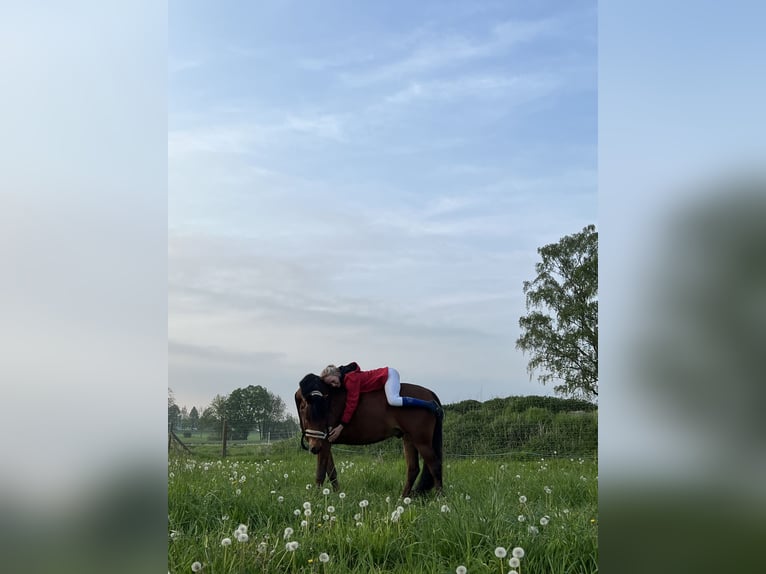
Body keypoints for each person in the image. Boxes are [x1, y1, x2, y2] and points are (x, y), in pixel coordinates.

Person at [321, 362, 443, 442]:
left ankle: (428, 404)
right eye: (330, 384)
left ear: (336, 374)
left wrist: (342, 425)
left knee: (393, 400)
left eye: (332, 381)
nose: (334, 385)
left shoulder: (350, 379)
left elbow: (352, 402)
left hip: (389, 375)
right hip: (386, 376)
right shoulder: (346, 379)